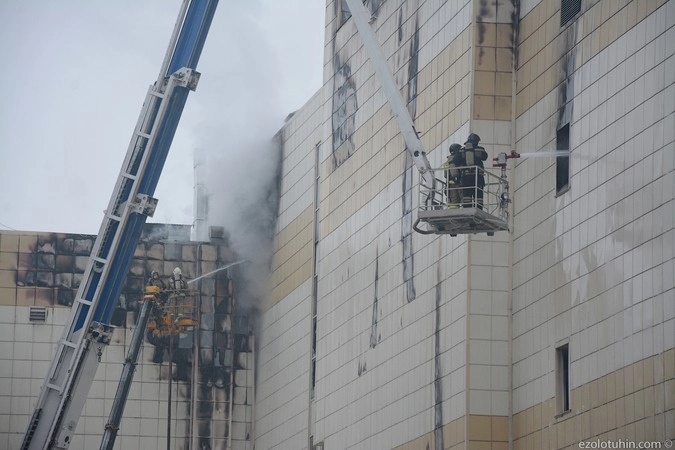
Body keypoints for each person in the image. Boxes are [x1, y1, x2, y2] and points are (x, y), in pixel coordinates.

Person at [460, 133, 488, 208]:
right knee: (478, 195)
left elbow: (457, 160)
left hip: (466, 178)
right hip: (478, 177)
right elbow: (485, 157)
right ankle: (479, 207)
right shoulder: (480, 150)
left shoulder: (462, 151)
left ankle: (467, 208)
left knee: (467, 195)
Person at [443, 143, 464, 208]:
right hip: (460, 183)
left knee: (453, 203)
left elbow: (446, 175)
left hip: (450, 184)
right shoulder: (458, 159)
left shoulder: (447, 161)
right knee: (464, 201)